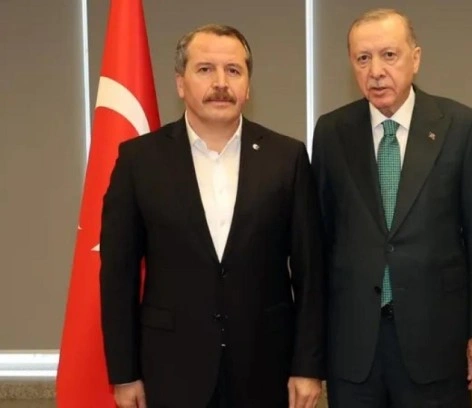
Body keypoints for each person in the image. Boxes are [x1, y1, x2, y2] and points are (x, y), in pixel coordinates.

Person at [100, 24, 324, 408]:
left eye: (233, 70)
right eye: (205, 69)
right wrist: (124, 373)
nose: (221, 83)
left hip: (265, 368)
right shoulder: (139, 161)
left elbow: (310, 271)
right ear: (180, 83)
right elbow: (118, 274)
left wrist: (308, 366)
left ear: (248, 86)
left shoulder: (286, 158)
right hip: (169, 370)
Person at [311, 8, 472, 407]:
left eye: (389, 55)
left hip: (436, 341)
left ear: (415, 58)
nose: (376, 71)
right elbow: (319, 243)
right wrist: (311, 350)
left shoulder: (459, 125)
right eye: (363, 58)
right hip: (354, 347)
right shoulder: (332, 132)